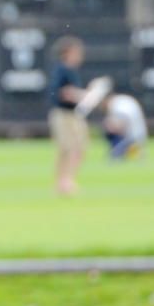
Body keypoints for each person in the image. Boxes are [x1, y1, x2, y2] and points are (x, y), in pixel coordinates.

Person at [48, 37, 88, 195]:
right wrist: (84, 95)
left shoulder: (70, 71)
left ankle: (66, 181)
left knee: (77, 148)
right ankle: (64, 183)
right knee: (67, 149)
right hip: (64, 114)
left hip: (73, 114)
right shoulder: (62, 70)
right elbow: (64, 93)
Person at [101, 91, 147, 161]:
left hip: (130, 137)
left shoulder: (116, 104)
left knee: (109, 129)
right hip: (139, 134)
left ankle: (129, 150)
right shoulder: (122, 100)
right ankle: (133, 150)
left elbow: (120, 123)